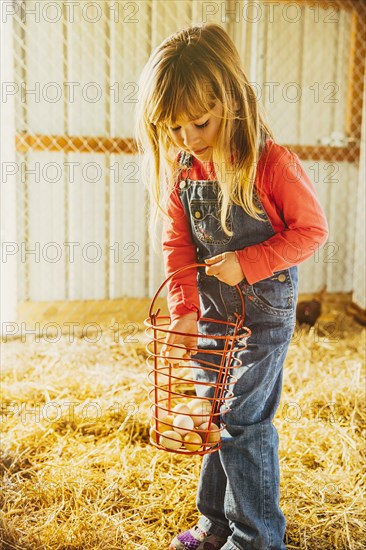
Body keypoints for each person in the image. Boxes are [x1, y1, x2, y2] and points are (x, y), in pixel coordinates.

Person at [135, 23, 328, 550]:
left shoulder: (272, 164)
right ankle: (214, 525)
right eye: (172, 128)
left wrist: (249, 261)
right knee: (215, 415)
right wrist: (184, 307)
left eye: (199, 123)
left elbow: (312, 230)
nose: (188, 140)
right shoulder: (185, 168)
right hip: (215, 313)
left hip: (263, 315)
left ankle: (259, 539)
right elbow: (178, 243)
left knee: (244, 419)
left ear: (232, 99)